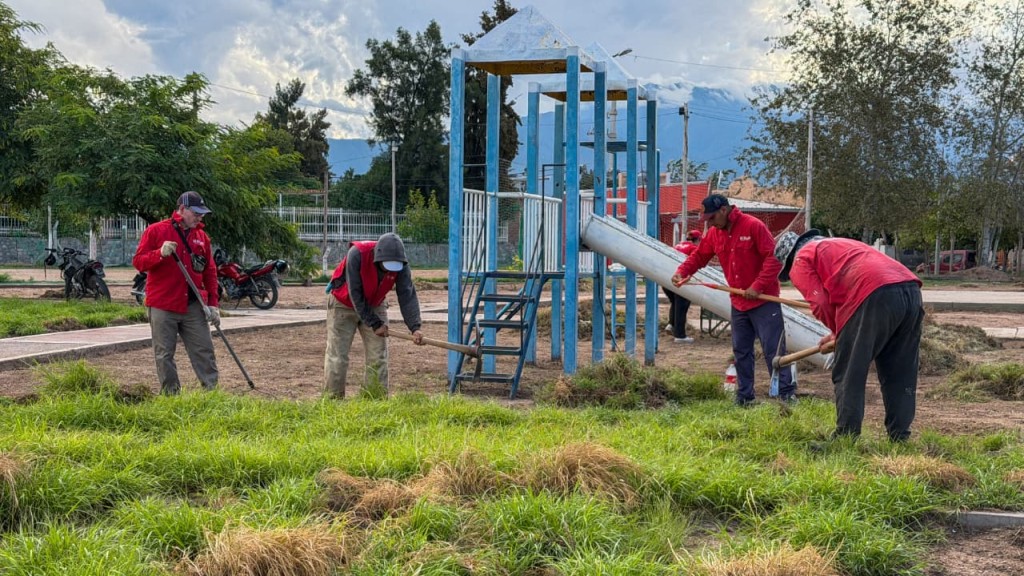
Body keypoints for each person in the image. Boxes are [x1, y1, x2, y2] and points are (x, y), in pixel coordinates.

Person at [775, 230, 924, 441]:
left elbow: (820, 302)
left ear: (788, 261)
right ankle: (900, 436)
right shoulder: (840, 245)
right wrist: (840, 332)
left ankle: (846, 437)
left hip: (873, 293)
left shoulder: (801, 257)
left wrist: (839, 333)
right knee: (899, 371)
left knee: (848, 371)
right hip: (910, 291)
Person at [671, 194, 794, 405]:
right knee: (741, 351)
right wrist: (682, 271)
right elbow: (699, 256)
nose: (709, 222)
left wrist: (757, 286)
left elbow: (774, 259)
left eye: (711, 217)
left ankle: (786, 395)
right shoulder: (714, 234)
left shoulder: (753, 226)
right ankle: (745, 397)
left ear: (724, 210)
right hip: (738, 302)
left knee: (773, 349)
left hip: (764, 301)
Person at [133, 191, 220, 395]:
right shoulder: (156, 231)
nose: (200, 217)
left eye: (202, 213)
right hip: (163, 304)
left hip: (193, 305)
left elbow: (210, 271)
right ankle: (171, 395)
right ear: (182, 209)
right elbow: (138, 262)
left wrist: (213, 303)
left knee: (204, 351)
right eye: (196, 213)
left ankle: (212, 393)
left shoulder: (202, 237)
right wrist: (159, 254)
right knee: (164, 354)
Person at [324, 233, 424, 398]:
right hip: (343, 303)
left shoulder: (402, 264)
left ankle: (374, 399)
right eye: (386, 266)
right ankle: (332, 400)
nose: (390, 270)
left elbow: (407, 295)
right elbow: (355, 293)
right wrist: (375, 324)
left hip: (375, 303)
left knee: (378, 355)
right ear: (377, 258)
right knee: (337, 356)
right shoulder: (357, 254)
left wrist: (415, 327)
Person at [663, 229, 702, 343]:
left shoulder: (678, 245)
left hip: (668, 279)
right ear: (698, 240)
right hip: (680, 280)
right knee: (682, 305)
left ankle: (671, 325)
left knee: (675, 303)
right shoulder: (694, 248)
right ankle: (680, 335)